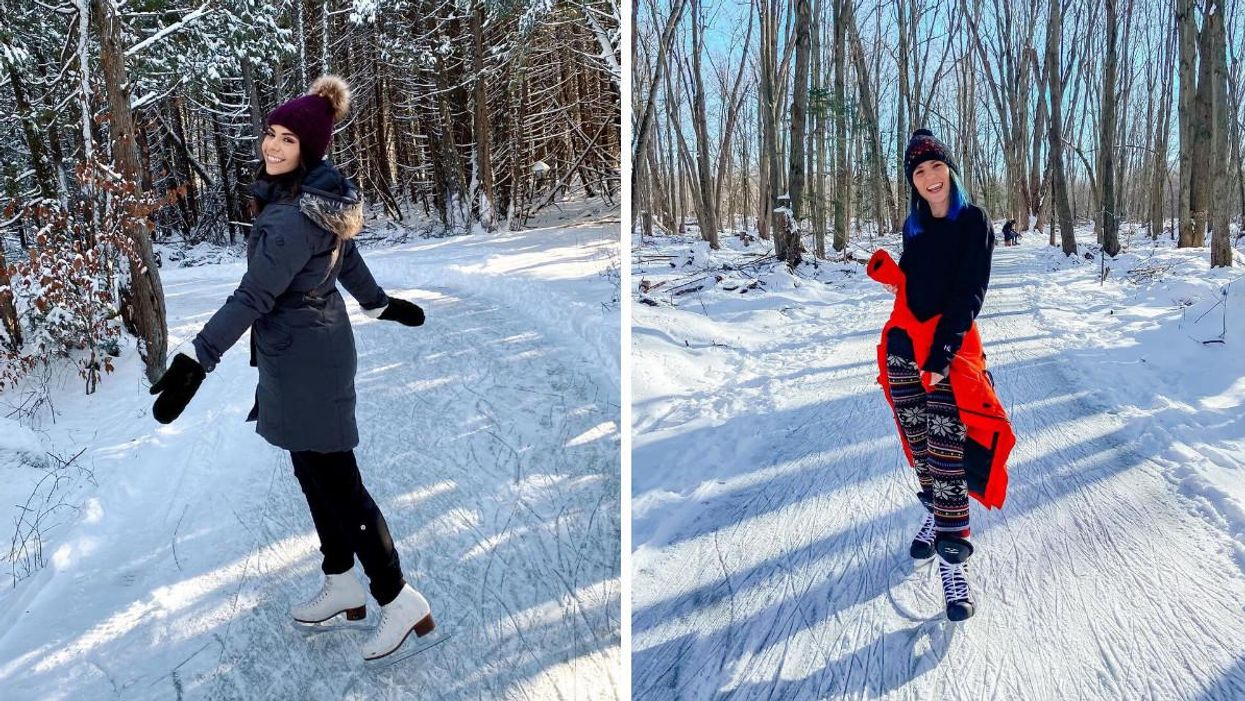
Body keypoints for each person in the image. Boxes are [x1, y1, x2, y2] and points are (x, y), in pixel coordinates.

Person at [149, 75, 435, 660]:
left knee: (338, 483)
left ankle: (397, 597)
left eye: (288, 139)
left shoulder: (288, 217)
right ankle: (342, 581)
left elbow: (253, 296)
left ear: (310, 149)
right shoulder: (315, 198)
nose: (273, 147)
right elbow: (347, 259)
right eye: (271, 134)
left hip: (306, 360)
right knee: (312, 472)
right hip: (308, 351)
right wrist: (377, 303)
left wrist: (196, 359)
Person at [869, 129, 1015, 622]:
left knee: (946, 450)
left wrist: (941, 357)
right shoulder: (913, 228)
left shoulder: (973, 221)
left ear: (950, 170)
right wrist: (895, 279)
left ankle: (953, 564)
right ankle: (936, 512)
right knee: (920, 447)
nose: (930, 176)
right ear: (912, 181)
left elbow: (969, 293)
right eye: (919, 170)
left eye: (936, 166)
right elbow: (917, 288)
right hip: (904, 350)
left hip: (950, 356)